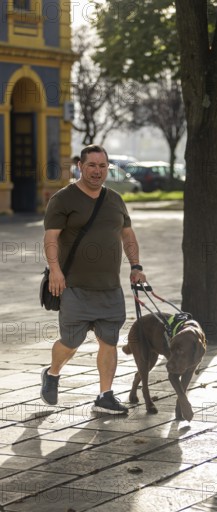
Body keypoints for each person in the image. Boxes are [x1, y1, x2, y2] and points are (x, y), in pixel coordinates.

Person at [41, 144, 146, 414]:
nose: (97, 171)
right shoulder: (63, 199)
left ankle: (104, 396)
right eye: (91, 166)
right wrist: (55, 270)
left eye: (102, 166)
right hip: (73, 286)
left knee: (109, 340)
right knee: (71, 341)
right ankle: (52, 373)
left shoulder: (115, 199)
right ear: (80, 166)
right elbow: (51, 238)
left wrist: (136, 265)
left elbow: (128, 236)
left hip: (110, 288)